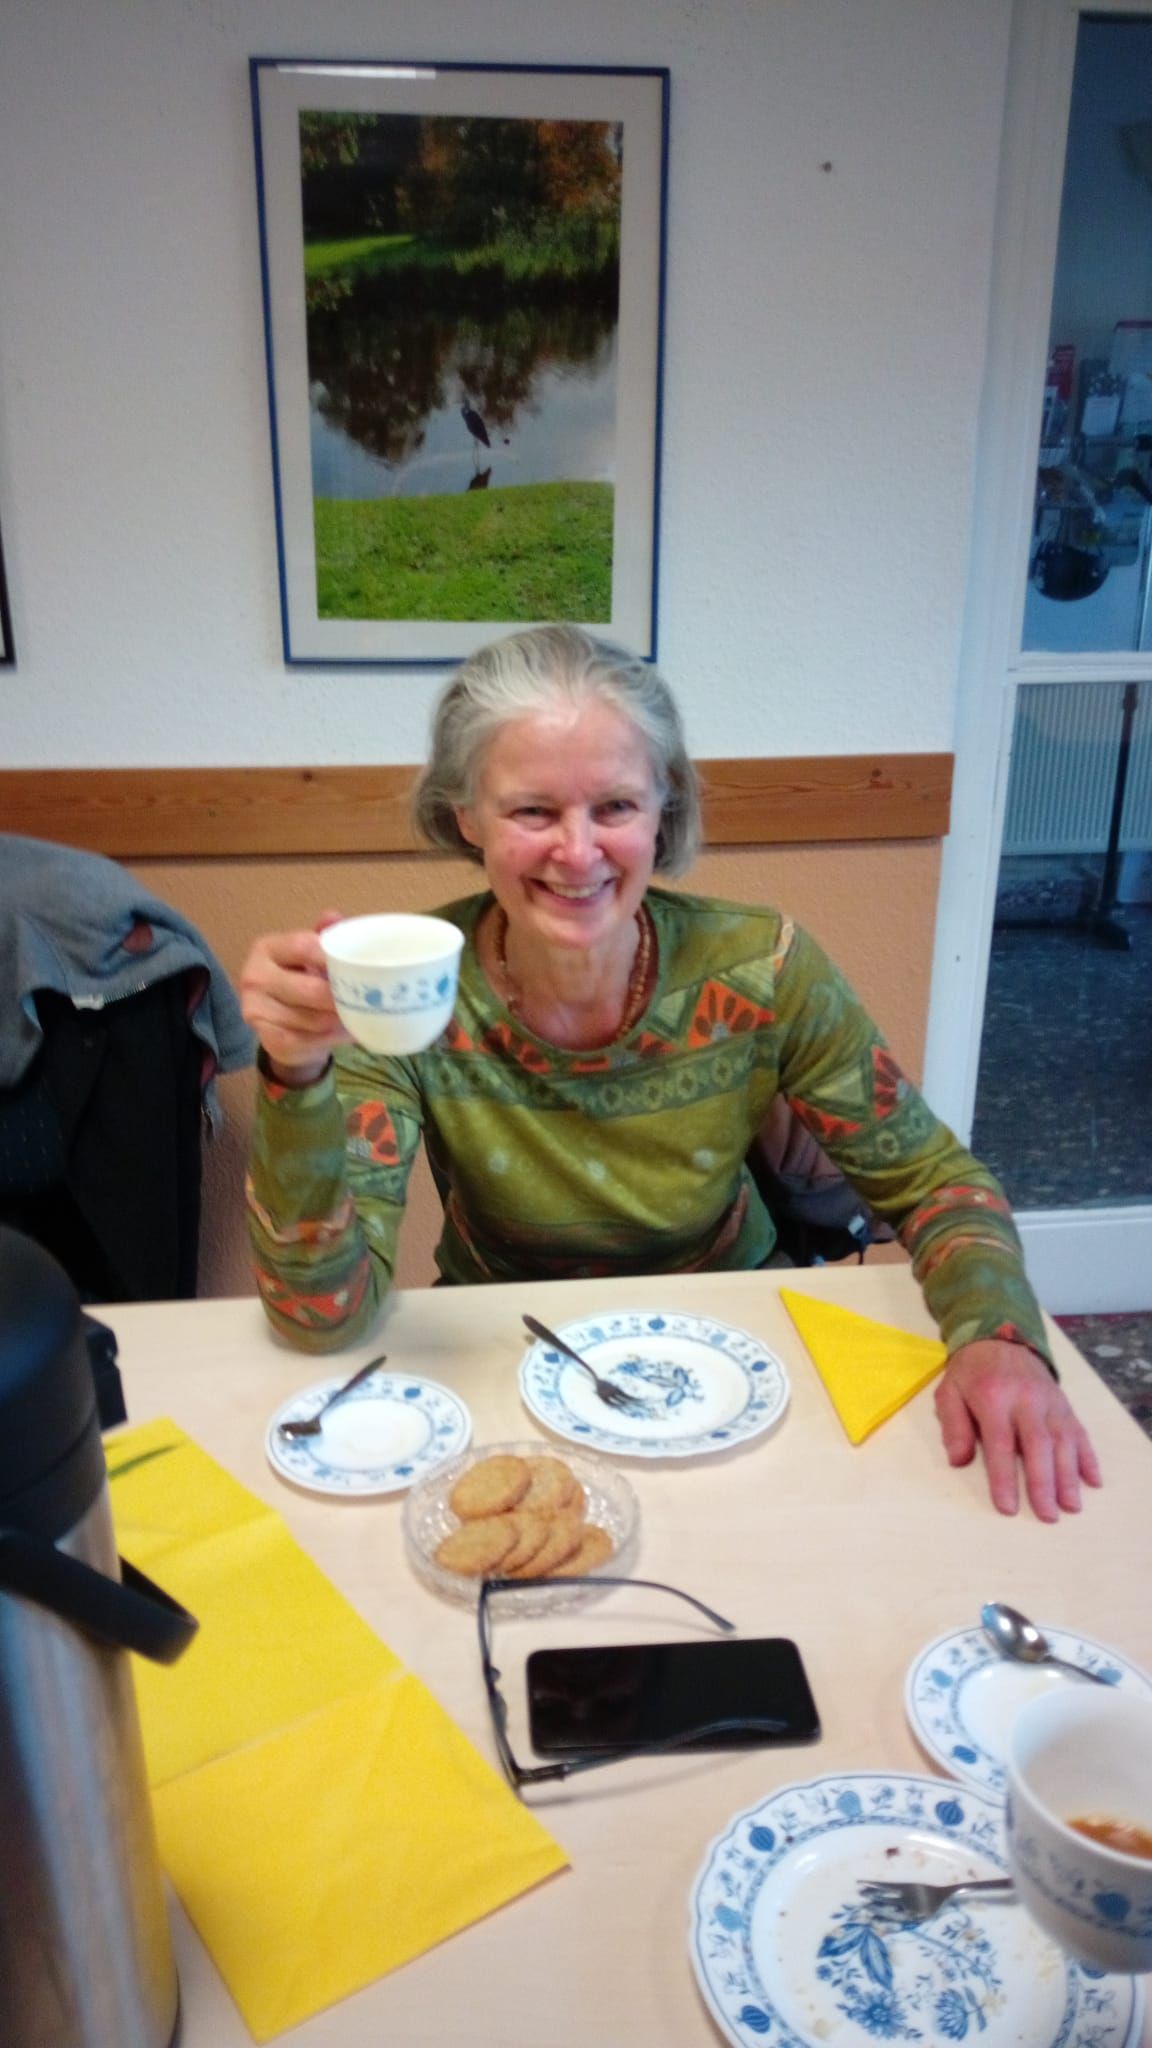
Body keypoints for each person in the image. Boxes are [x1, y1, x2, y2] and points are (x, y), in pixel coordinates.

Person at [240, 625, 1100, 1524]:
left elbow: (936, 1184)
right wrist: (296, 1070)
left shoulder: (765, 966)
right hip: (503, 1350)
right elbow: (320, 1315)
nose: (579, 852)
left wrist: (1002, 1339)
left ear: (663, 810)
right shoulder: (403, 984)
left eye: (615, 806)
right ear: (466, 817)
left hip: (739, 1347)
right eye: (532, 811)